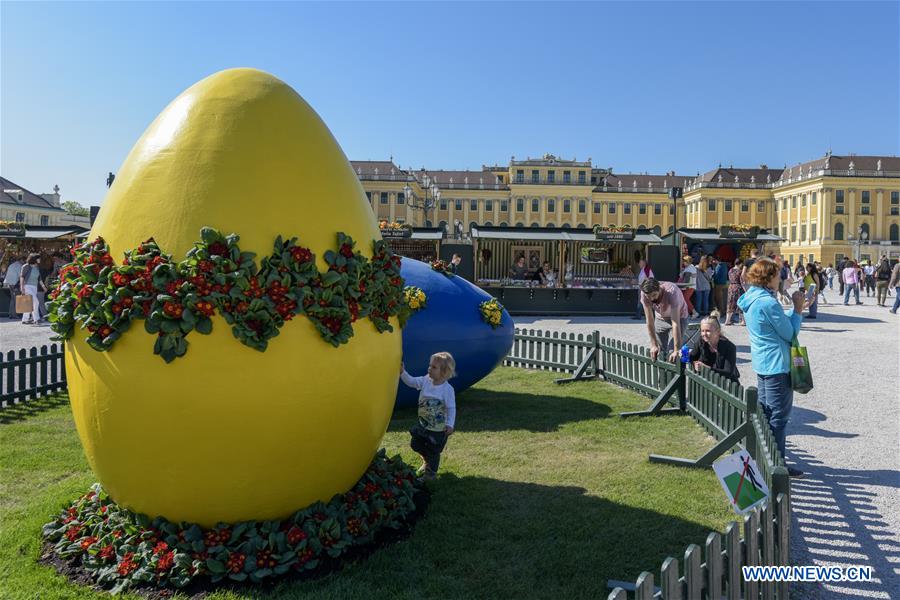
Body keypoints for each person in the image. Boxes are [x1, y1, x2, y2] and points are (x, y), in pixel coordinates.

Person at [737, 258, 805, 476]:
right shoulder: (768, 302)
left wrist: (793, 312)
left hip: (763, 363)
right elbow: (789, 333)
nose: (780, 278)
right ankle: (776, 465)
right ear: (768, 278)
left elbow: (773, 324)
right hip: (778, 364)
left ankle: (765, 460)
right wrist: (798, 310)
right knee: (778, 417)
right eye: (777, 275)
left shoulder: (751, 298)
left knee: (766, 414)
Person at [400, 352, 457, 481]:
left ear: (444, 372)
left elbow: (451, 408)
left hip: (438, 428)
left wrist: (450, 424)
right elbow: (412, 382)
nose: (429, 369)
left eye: (434, 367)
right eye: (430, 365)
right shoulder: (425, 380)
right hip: (423, 424)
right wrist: (402, 372)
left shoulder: (447, 389)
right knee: (415, 444)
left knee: (434, 450)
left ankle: (430, 474)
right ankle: (427, 460)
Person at [639, 277, 688, 363]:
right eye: (648, 296)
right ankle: (663, 370)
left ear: (659, 288)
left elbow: (675, 323)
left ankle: (675, 368)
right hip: (660, 317)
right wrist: (653, 345)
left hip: (679, 317)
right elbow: (649, 320)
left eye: (654, 295)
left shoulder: (671, 292)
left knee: (673, 352)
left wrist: (676, 350)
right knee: (659, 351)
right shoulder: (644, 294)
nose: (651, 299)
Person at [689, 310, 739, 382]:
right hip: (707, 382)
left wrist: (707, 368)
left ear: (718, 331)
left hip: (726, 384)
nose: (704, 334)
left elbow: (728, 373)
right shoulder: (701, 342)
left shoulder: (729, 347)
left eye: (708, 331)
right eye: (702, 331)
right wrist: (692, 361)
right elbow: (692, 358)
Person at [19, 253, 46, 325]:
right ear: (35, 259)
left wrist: (43, 286)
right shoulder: (26, 266)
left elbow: (39, 278)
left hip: (34, 287)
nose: (40, 260)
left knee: (29, 303)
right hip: (27, 286)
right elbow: (22, 277)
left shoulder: (36, 267)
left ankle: (25, 319)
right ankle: (36, 319)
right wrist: (22, 287)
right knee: (36, 302)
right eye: (38, 258)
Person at [3, 253, 23, 319]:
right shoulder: (19, 265)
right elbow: (20, 275)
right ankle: (14, 314)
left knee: (13, 299)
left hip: (9, 283)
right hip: (15, 284)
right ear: (21, 260)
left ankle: (11, 313)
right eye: (23, 260)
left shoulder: (11, 265)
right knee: (15, 299)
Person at [726, 258, 745, 326]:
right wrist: (745, 290)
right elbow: (742, 281)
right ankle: (743, 321)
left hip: (731, 287)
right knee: (741, 304)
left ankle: (727, 320)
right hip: (738, 288)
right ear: (740, 263)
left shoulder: (730, 270)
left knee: (730, 304)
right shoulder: (740, 271)